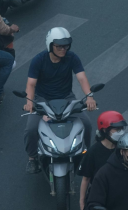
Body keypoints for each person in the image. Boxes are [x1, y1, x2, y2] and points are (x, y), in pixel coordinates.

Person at [22, 27, 97, 173]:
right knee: (31, 129)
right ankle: (32, 158)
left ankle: (84, 153)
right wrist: (29, 102)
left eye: (66, 46)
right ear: (50, 45)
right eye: (59, 46)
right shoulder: (39, 60)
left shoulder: (72, 57)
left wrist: (90, 96)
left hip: (66, 98)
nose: (64, 49)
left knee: (86, 123)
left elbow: (81, 78)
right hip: (42, 99)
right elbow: (31, 84)